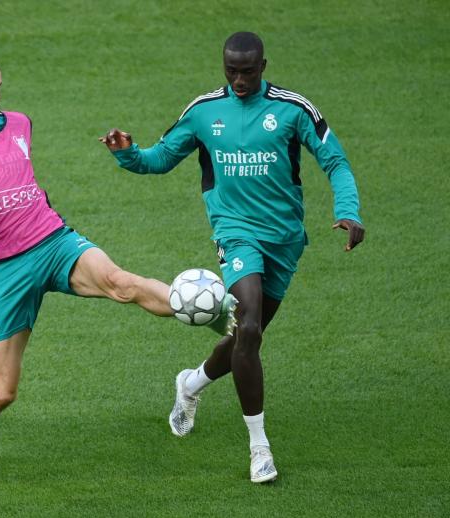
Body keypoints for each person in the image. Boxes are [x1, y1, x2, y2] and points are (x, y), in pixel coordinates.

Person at [0, 44, 225, 477]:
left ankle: (213, 310)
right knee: (2, 393)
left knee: (120, 282)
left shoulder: (19, 124)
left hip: (53, 241)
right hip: (4, 271)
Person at [101, 32, 365, 483]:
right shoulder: (204, 112)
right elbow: (161, 158)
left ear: (263, 66)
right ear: (223, 66)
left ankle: (191, 384)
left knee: (251, 334)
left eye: (247, 71)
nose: (239, 80)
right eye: (231, 71)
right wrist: (127, 153)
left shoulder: (294, 109)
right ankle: (259, 447)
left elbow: (335, 162)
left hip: (283, 238)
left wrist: (349, 212)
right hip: (235, 233)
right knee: (247, 325)